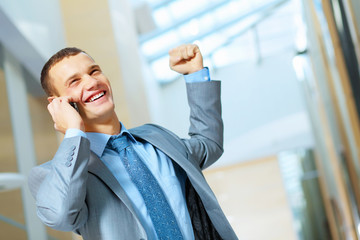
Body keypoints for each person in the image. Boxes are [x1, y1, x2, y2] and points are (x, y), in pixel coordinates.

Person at [28, 43, 238, 240]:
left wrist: (195, 74)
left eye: (94, 71)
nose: (92, 82)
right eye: (74, 81)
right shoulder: (53, 175)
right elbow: (60, 216)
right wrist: (74, 133)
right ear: (57, 103)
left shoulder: (157, 137)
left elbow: (208, 144)